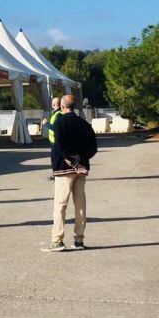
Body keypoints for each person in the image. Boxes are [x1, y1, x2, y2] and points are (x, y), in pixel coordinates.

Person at [42, 94, 98, 251]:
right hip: (82, 169)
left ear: (62, 106)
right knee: (80, 204)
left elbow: (59, 145)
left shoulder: (59, 122)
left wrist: (70, 159)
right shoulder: (84, 123)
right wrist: (81, 160)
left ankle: (57, 240)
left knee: (60, 205)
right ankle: (79, 240)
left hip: (63, 169)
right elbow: (93, 147)